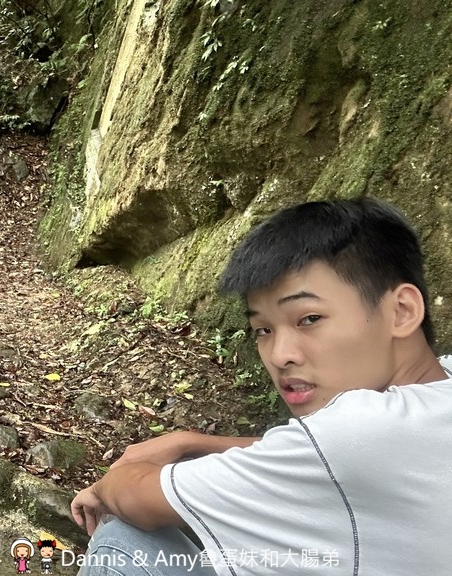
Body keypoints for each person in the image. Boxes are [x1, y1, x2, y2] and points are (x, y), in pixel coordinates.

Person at [69, 198, 452, 575]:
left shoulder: (357, 431)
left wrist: (105, 487)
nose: (279, 355)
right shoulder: (440, 386)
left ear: (401, 311)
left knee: (123, 541)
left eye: (309, 318)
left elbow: (137, 497)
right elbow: (319, 455)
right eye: (263, 330)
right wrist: (192, 442)